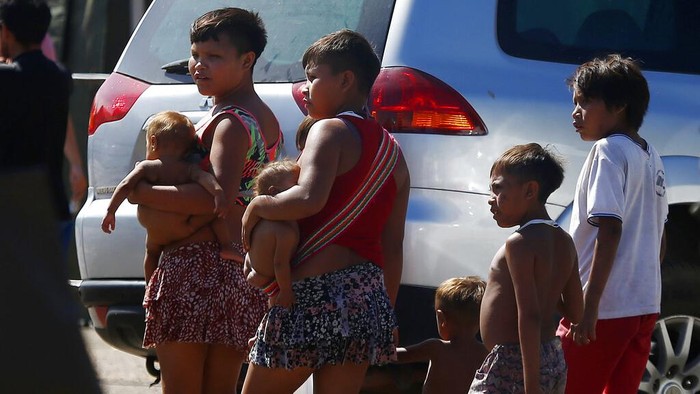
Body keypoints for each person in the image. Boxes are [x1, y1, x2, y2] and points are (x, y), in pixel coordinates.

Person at [241, 29, 411, 394]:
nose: (304, 88)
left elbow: (308, 199)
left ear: (346, 80)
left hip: (309, 296)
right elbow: (392, 245)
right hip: (365, 301)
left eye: (313, 77)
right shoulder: (394, 155)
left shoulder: (329, 129)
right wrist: (386, 314)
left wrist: (258, 205)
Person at [127, 7, 281, 393]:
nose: (199, 65)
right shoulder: (264, 117)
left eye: (214, 57)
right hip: (237, 272)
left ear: (247, 61)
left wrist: (140, 193)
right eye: (196, 54)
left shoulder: (229, 122)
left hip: (196, 269)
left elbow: (215, 198)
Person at [0, 1, 100, 392]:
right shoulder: (58, 77)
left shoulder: (7, 80)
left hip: (11, 207)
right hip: (51, 202)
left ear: (6, 30)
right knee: (46, 298)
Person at [556, 54, 668, 394]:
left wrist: (589, 309)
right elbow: (660, 236)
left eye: (586, 102)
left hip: (603, 308)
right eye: (575, 102)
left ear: (619, 104)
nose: (575, 112)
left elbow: (611, 228)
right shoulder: (652, 156)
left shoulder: (608, 151)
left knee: (569, 387)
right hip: (644, 306)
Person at [470, 143, 584, 393]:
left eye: (498, 189)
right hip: (552, 356)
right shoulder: (565, 241)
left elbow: (529, 316)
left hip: (516, 363)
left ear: (531, 190)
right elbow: (576, 312)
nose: (491, 200)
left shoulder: (519, 243)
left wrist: (530, 385)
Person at [101, 110, 239, 280]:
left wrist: (110, 211)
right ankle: (227, 246)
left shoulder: (147, 167)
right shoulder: (188, 169)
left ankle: (149, 289)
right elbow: (206, 178)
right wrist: (218, 193)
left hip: (156, 233)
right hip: (184, 228)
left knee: (151, 255)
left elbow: (125, 185)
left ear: (153, 142)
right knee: (215, 216)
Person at [395, 276, 488, 394]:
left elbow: (397, 356)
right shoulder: (485, 354)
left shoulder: (436, 348)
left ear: (441, 319)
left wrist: (380, 345)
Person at [243, 159, 301, 308]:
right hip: (268, 279)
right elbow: (280, 264)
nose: (301, 193)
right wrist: (286, 290)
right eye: (296, 188)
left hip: (251, 269)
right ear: (274, 192)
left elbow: (252, 246)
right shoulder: (284, 231)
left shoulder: (260, 220)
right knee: (278, 310)